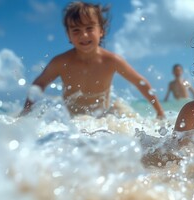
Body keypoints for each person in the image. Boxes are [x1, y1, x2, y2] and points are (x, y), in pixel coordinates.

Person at [20, 1, 165, 118]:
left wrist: (160, 112)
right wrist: (26, 112)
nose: (83, 35)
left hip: (102, 117)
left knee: (123, 115)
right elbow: (39, 84)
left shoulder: (111, 60)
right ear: (69, 35)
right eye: (76, 30)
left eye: (89, 28)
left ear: (101, 31)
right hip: (72, 118)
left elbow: (140, 82)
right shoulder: (61, 62)